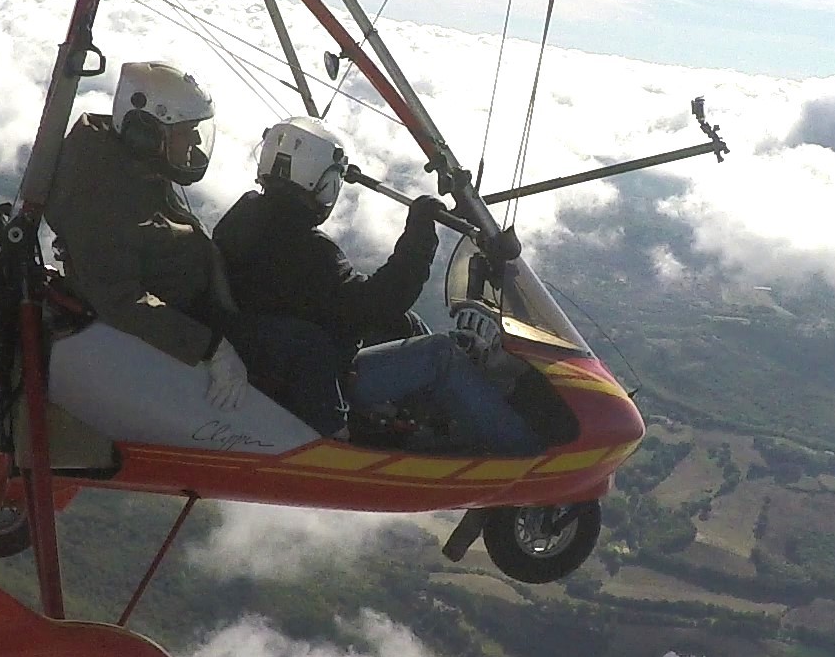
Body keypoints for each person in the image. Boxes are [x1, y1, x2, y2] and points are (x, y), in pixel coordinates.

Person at [215, 115, 539, 455]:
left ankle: (438, 418)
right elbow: (375, 304)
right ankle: (526, 454)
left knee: (406, 325)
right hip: (312, 381)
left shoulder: (242, 219)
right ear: (320, 184)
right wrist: (418, 238)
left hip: (273, 357)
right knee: (439, 354)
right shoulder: (308, 250)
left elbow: (349, 306)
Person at [40, 59, 258, 417]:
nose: (195, 140)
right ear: (147, 131)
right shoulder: (100, 193)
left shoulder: (130, 164)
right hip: (180, 325)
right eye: (186, 130)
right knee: (294, 346)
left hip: (194, 309)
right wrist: (212, 348)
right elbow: (120, 298)